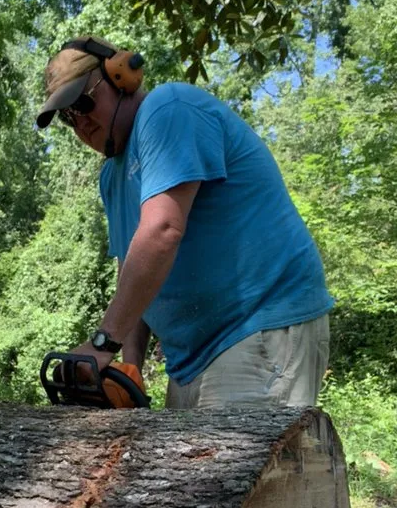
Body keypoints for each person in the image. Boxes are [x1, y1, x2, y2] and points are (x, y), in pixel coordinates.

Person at [36, 36, 333, 410]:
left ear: (120, 76)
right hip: (190, 359)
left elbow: (162, 232)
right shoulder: (112, 176)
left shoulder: (169, 109)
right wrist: (130, 367)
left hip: (257, 326)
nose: (79, 121)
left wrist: (101, 344)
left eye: (82, 101)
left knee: (234, 468)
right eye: (66, 115)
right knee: (184, 466)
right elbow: (132, 268)